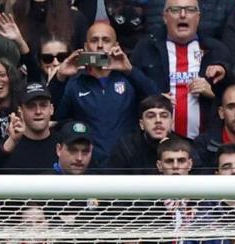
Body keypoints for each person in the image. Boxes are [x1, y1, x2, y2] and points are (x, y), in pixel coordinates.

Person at [49, 21, 160, 159]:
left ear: (116, 46)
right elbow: (53, 114)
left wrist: (130, 70)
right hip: (89, 164)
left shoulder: (130, 78)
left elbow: (157, 101)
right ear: (86, 47)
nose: (100, 45)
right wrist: (60, 77)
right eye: (94, 40)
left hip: (126, 162)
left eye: (106, 40)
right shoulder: (74, 82)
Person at [129, 0, 228, 141]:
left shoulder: (216, 49)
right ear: (164, 17)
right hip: (157, 145)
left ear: (198, 17)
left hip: (205, 145)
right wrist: (155, 99)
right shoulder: (146, 48)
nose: (183, 15)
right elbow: (131, 92)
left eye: (190, 10)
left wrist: (214, 93)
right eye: (175, 10)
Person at [0, 82, 58, 172]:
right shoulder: (10, 146)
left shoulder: (64, 144)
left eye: (43, 105)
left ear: (51, 109)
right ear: (20, 110)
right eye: (31, 106)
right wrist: (11, 143)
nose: (38, 111)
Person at [105, 93, 171, 173]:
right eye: (151, 116)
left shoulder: (184, 146)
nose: (158, 121)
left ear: (172, 122)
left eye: (164, 116)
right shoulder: (125, 148)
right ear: (141, 124)